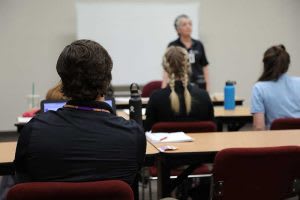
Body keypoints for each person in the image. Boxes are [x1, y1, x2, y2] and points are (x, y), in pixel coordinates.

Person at [14, 39, 146, 186]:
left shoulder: (34, 130)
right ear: (107, 80)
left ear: (63, 81)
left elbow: (21, 182)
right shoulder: (133, 135)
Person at [144, 46, 214, 131]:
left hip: (163, 145)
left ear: (165, 68)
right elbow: (212, 132)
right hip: (201, 144)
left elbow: (148, 131)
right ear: (188, 66)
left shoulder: (156, 98)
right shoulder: (204, 96)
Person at [251, 44, 300, 130]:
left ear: (265, 64)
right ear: (287, 64)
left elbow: (259, 128)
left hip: (275, 141)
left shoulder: (259, 88)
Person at [162, 14, 210, 90]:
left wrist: (207, 87)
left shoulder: (198, 44)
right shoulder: (173, 45)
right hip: (179, 85)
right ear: (178, 29)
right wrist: (163, 87)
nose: (188, 26)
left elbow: (205, 66)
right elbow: (167, 68)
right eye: (184, 24)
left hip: (199, 85)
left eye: (190, 24)